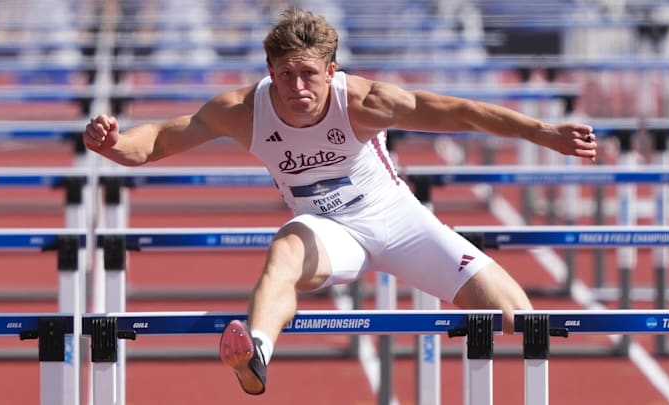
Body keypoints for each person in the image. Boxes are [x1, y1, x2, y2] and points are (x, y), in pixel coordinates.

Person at [83, 7, 597, 396]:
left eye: (308, 73)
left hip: (398, 221)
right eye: (285, 74)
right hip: (329, 232)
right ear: (270, 71)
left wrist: (544, 131)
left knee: (518, 315)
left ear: (332, 70)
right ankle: (255, 351)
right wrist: (112, 144)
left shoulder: (366, 101)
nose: (297, 86)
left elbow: (460, 112)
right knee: (285, 248)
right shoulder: (243, 110)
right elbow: (158, 140)